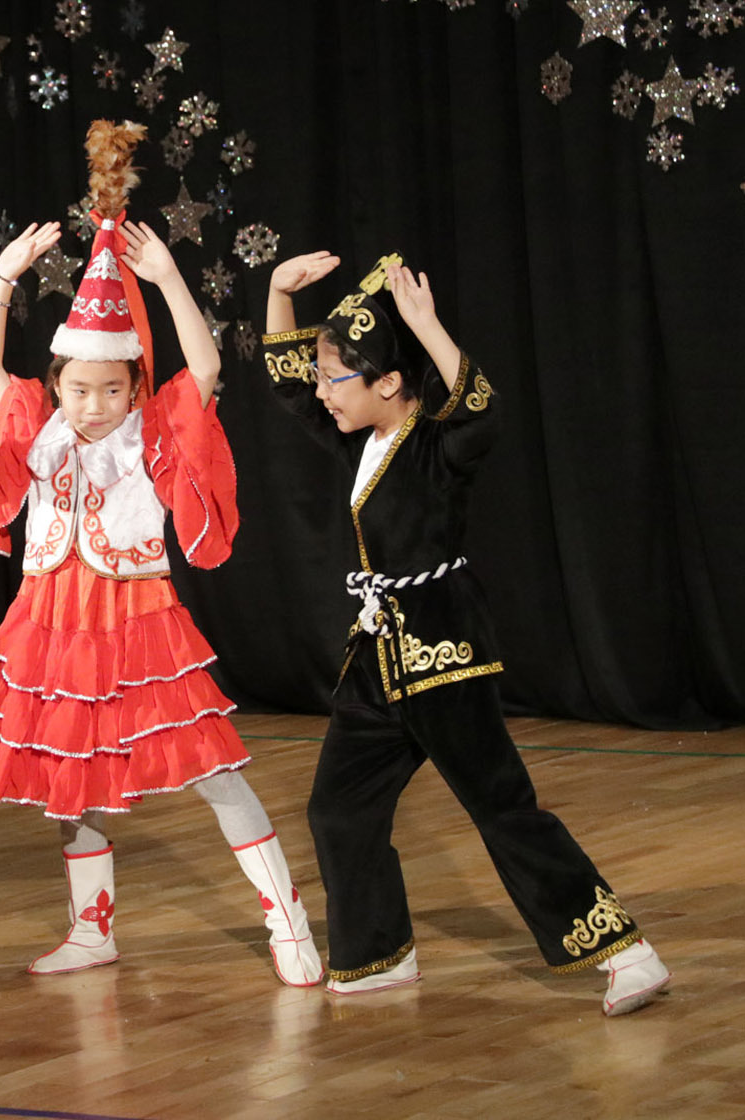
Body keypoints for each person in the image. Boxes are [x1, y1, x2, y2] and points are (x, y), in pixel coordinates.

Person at [260, 249, 669, 1015]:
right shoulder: (358, 438)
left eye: (335, 378)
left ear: (389, 383)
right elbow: (289, 392)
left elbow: (482, 409)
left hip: (445, 657)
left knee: (503, 807)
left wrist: (426, 325)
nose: (322, 392)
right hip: (378, 659)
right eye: (322, 377)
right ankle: (378, 953)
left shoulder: (437, 447)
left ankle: (627, 954)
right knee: (340, 807)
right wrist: (280, 294)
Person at [0, 120, 322, 985]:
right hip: (50, 617)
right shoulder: (33, 425)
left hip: (134, 614)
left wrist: (166, 283)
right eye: (78, 389)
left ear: (131, 385)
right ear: (57, 384)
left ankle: (289, 922)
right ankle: (93, 928)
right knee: (68, 773)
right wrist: (5, 279)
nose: (92, 405)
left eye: (110, 389)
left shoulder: (151, 429)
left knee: (209, 763)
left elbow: (204, 368)